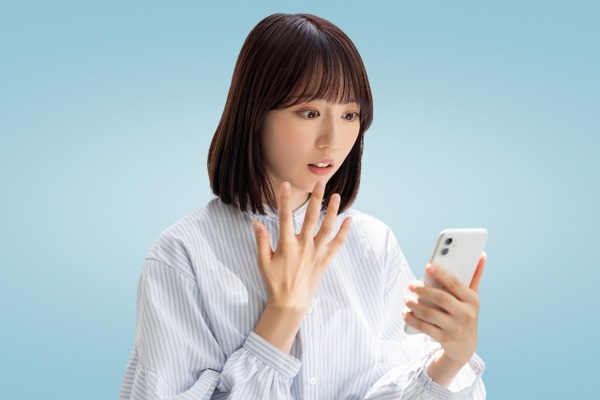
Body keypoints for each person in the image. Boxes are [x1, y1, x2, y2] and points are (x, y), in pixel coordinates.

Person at [119, 13, 487, 399]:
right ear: (255, 112)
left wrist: (450, 361)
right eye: (309, 113)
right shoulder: (183, 253)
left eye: (349, 115)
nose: (332, 140)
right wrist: (283, 314)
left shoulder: (373, 244)